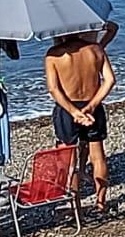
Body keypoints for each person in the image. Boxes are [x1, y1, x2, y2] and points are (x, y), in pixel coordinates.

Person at [46, 20, 119, 215]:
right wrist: (91, 106)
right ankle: (101, 202)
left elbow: (54, 89)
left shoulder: (54, 54)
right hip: (92, 105)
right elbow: (110, 80)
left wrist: (73, 111)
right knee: (98, 156)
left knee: (70, 159)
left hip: (67, 108)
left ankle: (75, 206)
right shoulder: (95, 50)